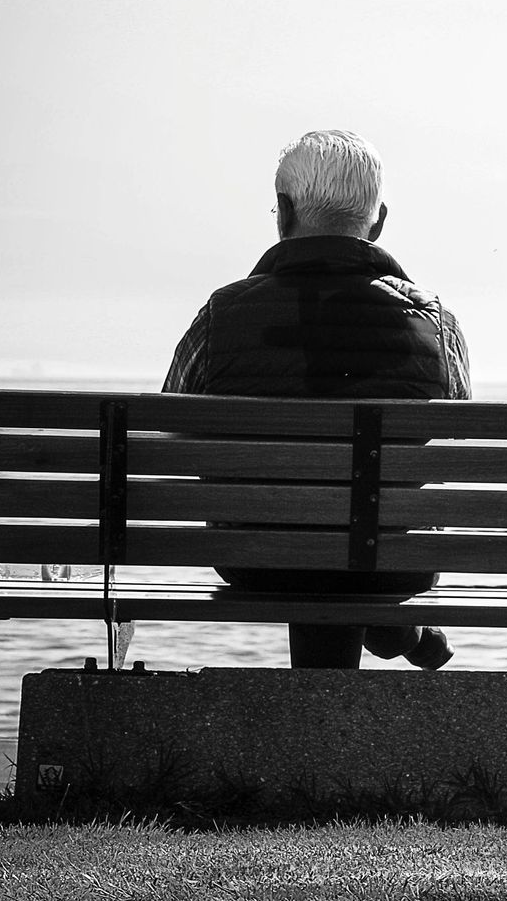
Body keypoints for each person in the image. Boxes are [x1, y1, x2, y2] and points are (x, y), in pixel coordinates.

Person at [164, 129, 470, 670]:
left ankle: (387, 646)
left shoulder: (222, 315)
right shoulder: (433, 322)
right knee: (358, 538)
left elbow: (170, 431)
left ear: (283, 213)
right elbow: (455, 436)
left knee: (318, 538)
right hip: (393, 558)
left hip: (256, 557)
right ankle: (398, 632)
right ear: (377, 222)